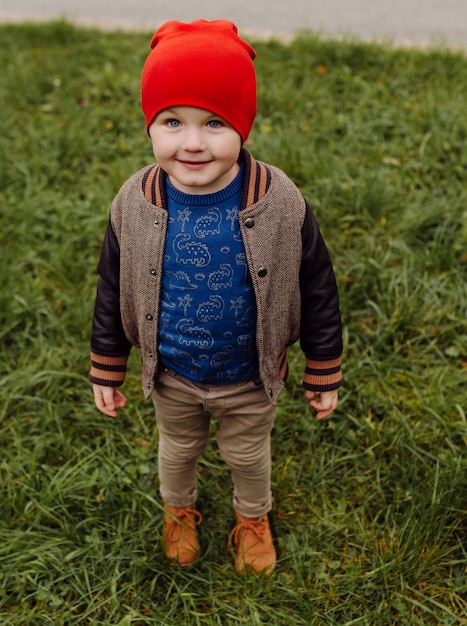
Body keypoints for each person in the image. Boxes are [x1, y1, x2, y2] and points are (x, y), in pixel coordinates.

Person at [89, 19, 343, 575]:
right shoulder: (134, 203)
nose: (194, 142)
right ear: (149, 126)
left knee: (248, 456)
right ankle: (178, 510)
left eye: (216, 122)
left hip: (249, 376)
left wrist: (323, 369)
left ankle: (253, 518)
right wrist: (107, 366)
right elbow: (113, 286)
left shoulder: (280, 203)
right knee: (177, 451)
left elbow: (318, 286)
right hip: (173, 373)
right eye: (172, 121)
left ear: (244, 127)